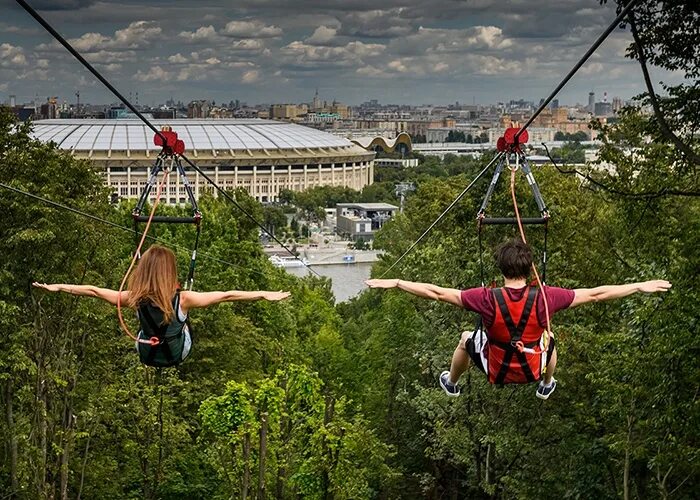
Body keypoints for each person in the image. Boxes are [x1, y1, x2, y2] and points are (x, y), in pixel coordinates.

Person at [366, 239, 671, 400]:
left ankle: (452, 382)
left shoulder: (486, 298)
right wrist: (638, 286)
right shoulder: (546, 298)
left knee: (464, 338)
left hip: (496, 369)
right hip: (532, 368)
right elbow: (595, 294)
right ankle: (547, 384)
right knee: (549, 339)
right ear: (529, 269)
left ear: (501, 269)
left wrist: (397, 282)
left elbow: (437, 293)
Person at [32, 245, 291, 367]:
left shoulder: (132, 296)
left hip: (146, 352)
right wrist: (262, 294)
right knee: (181, 322)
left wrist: (59, 287)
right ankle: (176, 328)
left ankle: (159, 333)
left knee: (149, 331)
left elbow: (93, 291)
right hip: (178, 352)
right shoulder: (184, 299)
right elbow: (225, 296)